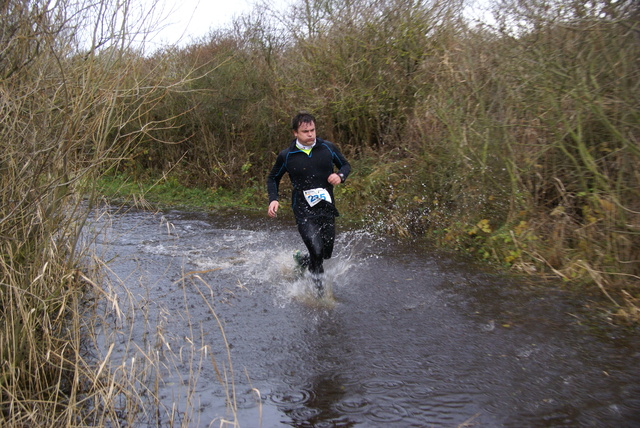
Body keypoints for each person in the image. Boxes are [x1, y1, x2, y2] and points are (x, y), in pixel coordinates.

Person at [267, 112, 351, 295]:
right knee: (317, 250)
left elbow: (346, 166)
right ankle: (320, 296)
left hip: (326, 207)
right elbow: (273, 178)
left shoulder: (327, 148)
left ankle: (302, 262)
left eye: (313, 130)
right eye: (305, 131)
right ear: (295, 133)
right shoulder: (287, 156)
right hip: (303, 209)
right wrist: (273, 199)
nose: (311, 134)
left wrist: (340, 176)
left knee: (325, 253)